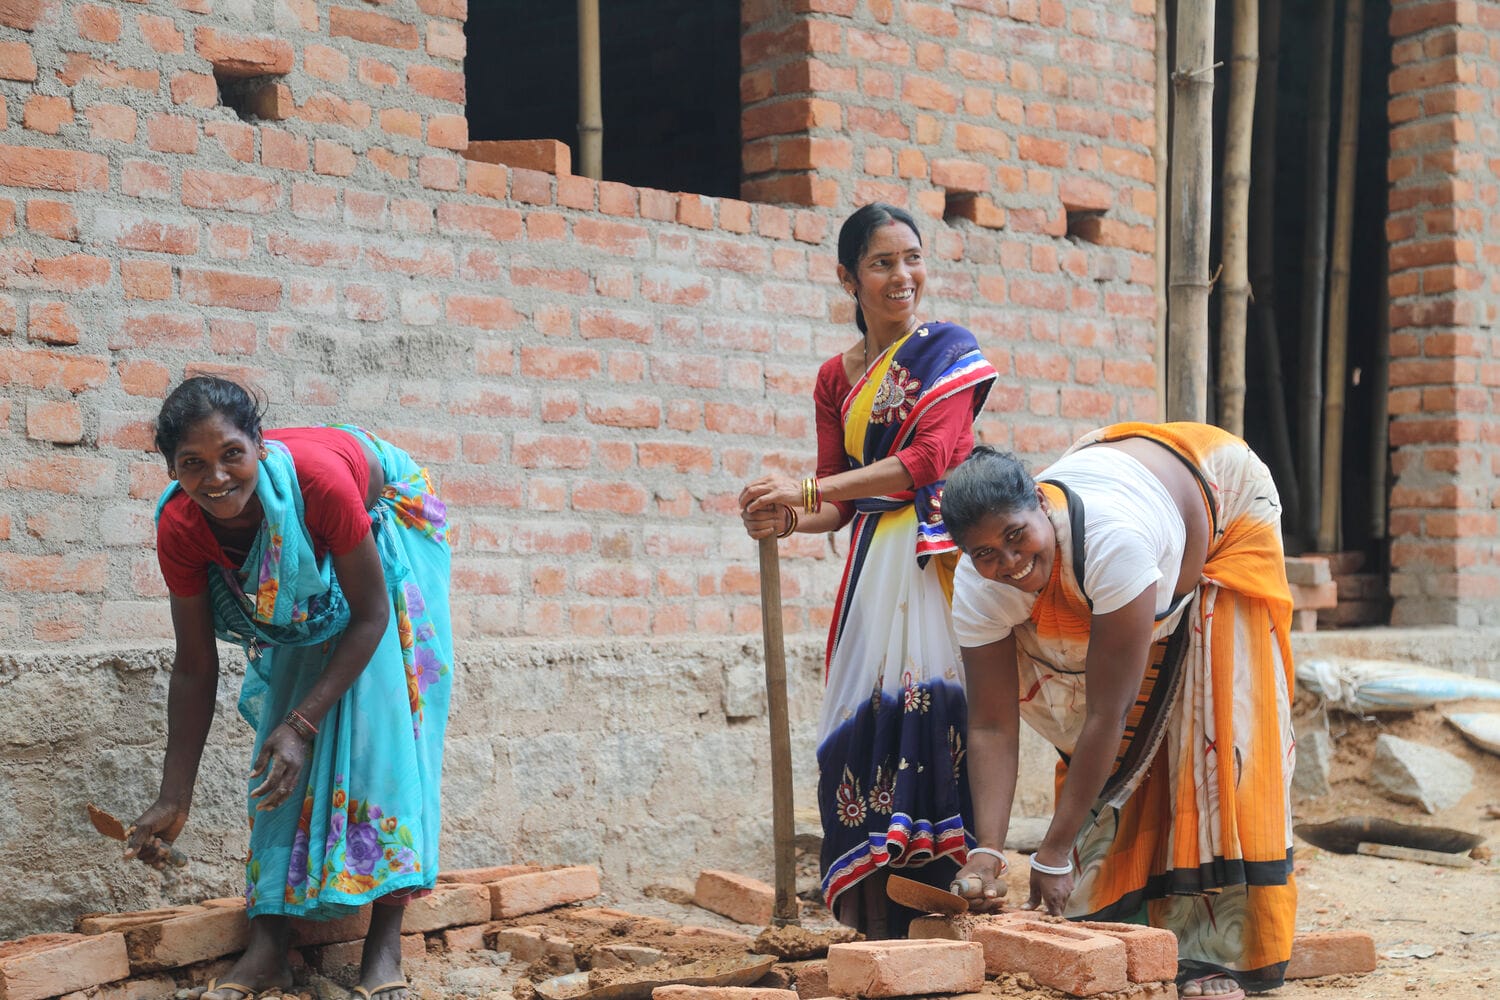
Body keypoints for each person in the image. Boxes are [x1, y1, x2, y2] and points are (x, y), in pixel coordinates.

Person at [939, 423, 1297, 999]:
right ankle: (1130, 916)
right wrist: (988, 848)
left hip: (1221, 496)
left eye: (1015, 536)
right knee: (1127, 740)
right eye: (985, 553)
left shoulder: (1111, 542)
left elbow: (1110, 713)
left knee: (1212, 723)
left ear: (1037, 501)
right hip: (1132, 500)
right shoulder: (981, 588)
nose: (1008, 562)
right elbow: (989, 723)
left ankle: (1219, 953)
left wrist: (1054, 851)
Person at [126, 376, 454, 1000]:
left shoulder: (316, 486)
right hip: (314, 546)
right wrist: (175, 796)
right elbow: (194, 665)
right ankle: (269, 947)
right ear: (171, 470)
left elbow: (370, 615)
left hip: (387, 509)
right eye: (192, 464)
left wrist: (302, 725)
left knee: (384, 721)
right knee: (279, 740)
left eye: (231, 454)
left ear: (260, 445)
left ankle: (384, 946)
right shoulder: (181, 528)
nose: (216, 477)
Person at [738, 202, 998, 937]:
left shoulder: (949, 351)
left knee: (939, 716)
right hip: (868, 579)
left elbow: (926, 464)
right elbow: (835, 503)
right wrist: (788, 514)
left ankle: (948, 900)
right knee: (857, 728)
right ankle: (874, 913)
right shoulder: (835, 378)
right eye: (882, 263)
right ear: (849, 278)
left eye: (912, 258)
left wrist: (811, 491)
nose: (902, 276)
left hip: (935, 560)